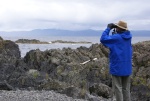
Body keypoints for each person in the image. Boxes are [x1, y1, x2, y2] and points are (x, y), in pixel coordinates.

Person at [100, 21, 132, 101]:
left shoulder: (116, 38)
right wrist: (116, 34)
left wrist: (108, 28)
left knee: (118, 88)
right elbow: (120, 44)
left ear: (119, 28)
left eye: (117, 26)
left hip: (117, 66)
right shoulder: (129, 37)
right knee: (126, 88)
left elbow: (103, 39)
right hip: (127, 67)